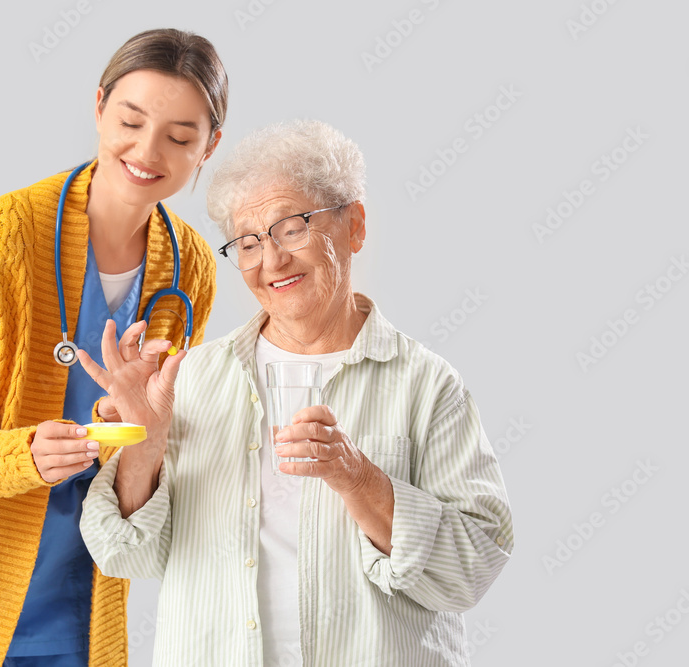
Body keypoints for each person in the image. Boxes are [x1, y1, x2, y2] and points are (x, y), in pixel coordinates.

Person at [79, 119, 514, 666]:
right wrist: (145, 441)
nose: (271, 260)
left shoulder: (426, 383)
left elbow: (472, 570)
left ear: (354, 225)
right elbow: (124, 555)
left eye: (292, 227)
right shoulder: (191, 379)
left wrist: (357, 478)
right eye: (248, 242)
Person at [0, 29, 227, 667]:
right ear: (98, 108)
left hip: (84, 597)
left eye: (179, 137)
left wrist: (136, 430)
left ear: (209, 147)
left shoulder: (190, 266)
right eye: (131, 121)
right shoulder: (6, 235)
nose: (148, 152)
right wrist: (25, 453)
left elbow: (156, 444)